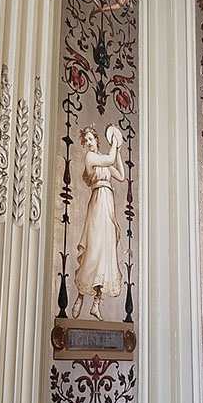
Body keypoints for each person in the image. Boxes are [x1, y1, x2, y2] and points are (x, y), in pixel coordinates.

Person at [72, 125, 125, 320]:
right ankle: (80, 296)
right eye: (85, 140)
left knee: (105, 251)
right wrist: (115, 143)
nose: (88, 143)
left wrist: (118, 149)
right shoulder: (91, 158)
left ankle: (96, 303)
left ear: (96, 139)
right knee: (93, 249)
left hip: (108, 203)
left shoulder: (103, 158)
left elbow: (121, 176)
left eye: (90, 139)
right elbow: (109, 160)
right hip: (97, 202)